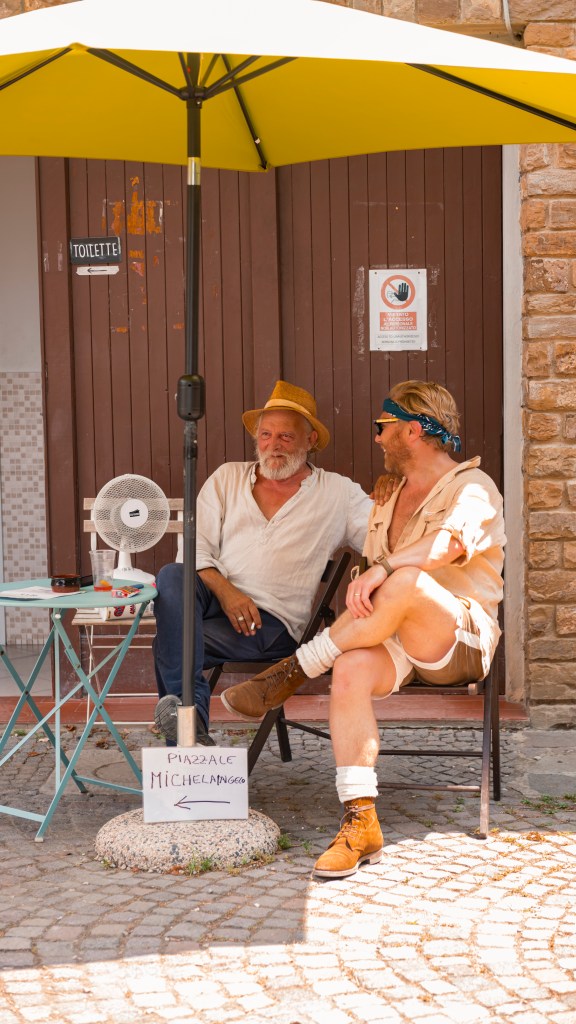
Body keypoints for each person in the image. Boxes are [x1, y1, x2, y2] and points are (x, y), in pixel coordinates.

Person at [222, 380, 506, 879]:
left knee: (406, 580)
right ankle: (360, 821)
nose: (376, 437)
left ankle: (293, 670)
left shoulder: (473, 487)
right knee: (351, 666)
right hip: (396, 642)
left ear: (412, 430)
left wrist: (384, 569)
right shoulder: (388, 496)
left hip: (457, 638)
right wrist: (377, 563)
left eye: (383, 426)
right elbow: (374, 580)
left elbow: (448, 545)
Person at [154, 380, 390, 747]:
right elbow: (194, 549)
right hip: (214, 601)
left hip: (270, 624)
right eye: (266, 435)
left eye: (285, 436)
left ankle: (185, 735)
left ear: (310, 440)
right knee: (172, 576)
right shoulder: (227, 477)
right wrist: (228, 593)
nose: (273, 445)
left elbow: (383, 538)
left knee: (171, 641)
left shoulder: (338, 492)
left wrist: (395, 488)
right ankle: (191, 728)